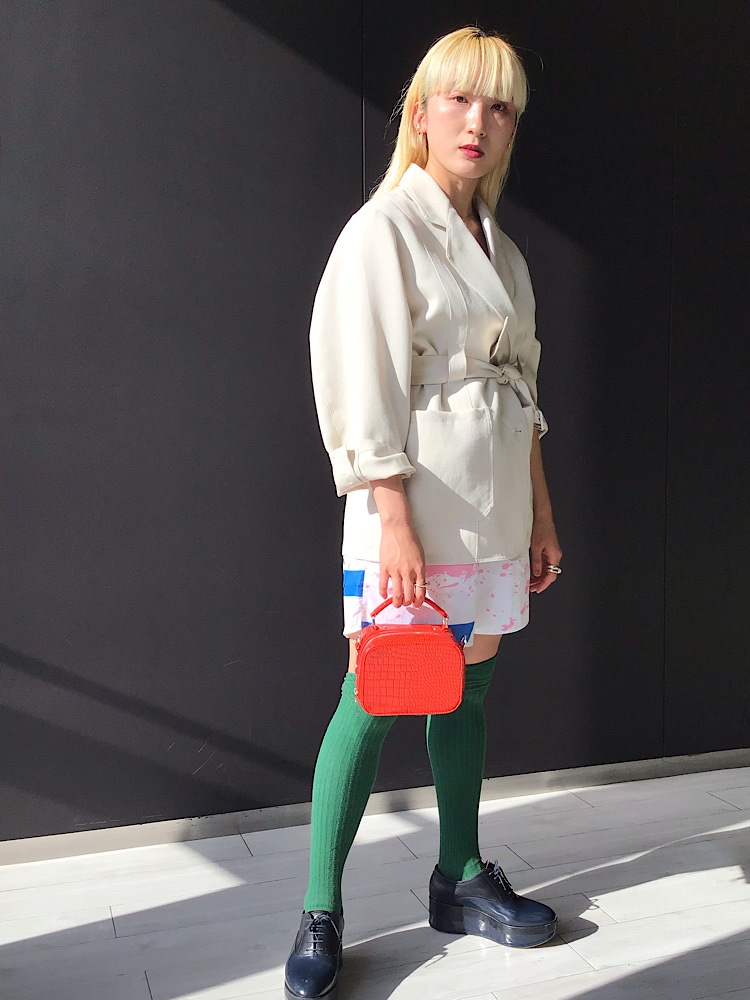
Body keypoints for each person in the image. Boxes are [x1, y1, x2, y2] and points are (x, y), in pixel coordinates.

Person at [284, 26, 562, 1000]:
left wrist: (540, 513)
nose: (478, 121)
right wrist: (391, 518)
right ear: (421, 110)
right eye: (459, 99)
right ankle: (320, 908)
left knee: (469, 689)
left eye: (499, 106)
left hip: (492, 502)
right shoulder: (382, 232)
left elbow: (524, 393)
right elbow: (358, 379)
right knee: (374, 694)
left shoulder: (506, 253)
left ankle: (459, 875)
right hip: (409, 501)